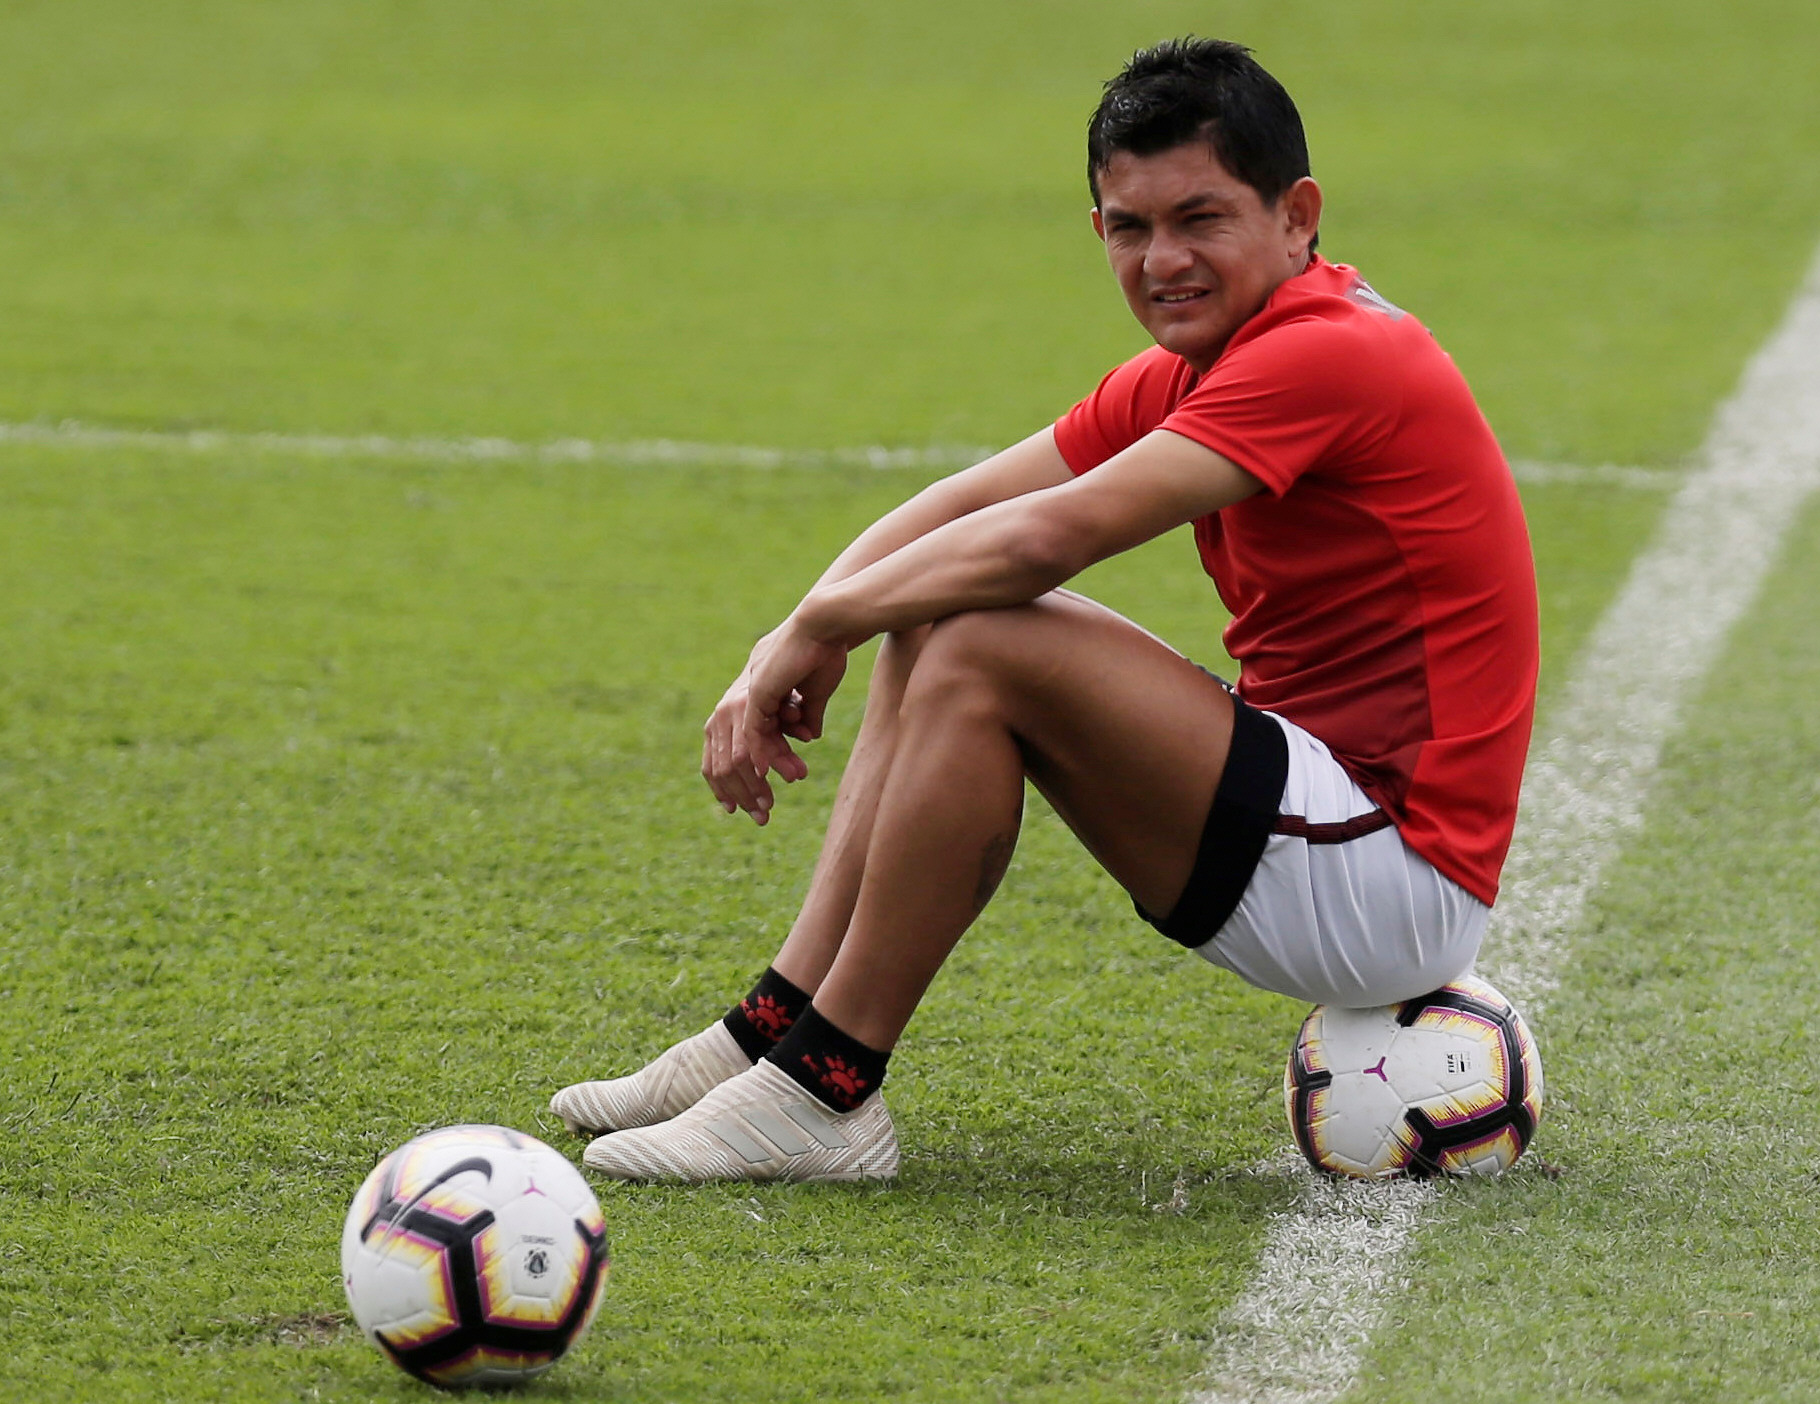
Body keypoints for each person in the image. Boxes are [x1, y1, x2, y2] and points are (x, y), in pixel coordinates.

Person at [551, 37, 1538, 1183]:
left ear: (1295, 216)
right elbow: (960, 506)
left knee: (984, 630)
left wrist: (819, 628)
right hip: (1314, 819)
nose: (1162, 259)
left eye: (1200, 218)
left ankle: (827, 1089)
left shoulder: (1328, 353)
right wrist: (798, 625)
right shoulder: (1202, 361)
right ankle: (769, 1033)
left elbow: (1039, 540)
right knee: (936, 607)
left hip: (1392, 876)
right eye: (1129, 226)